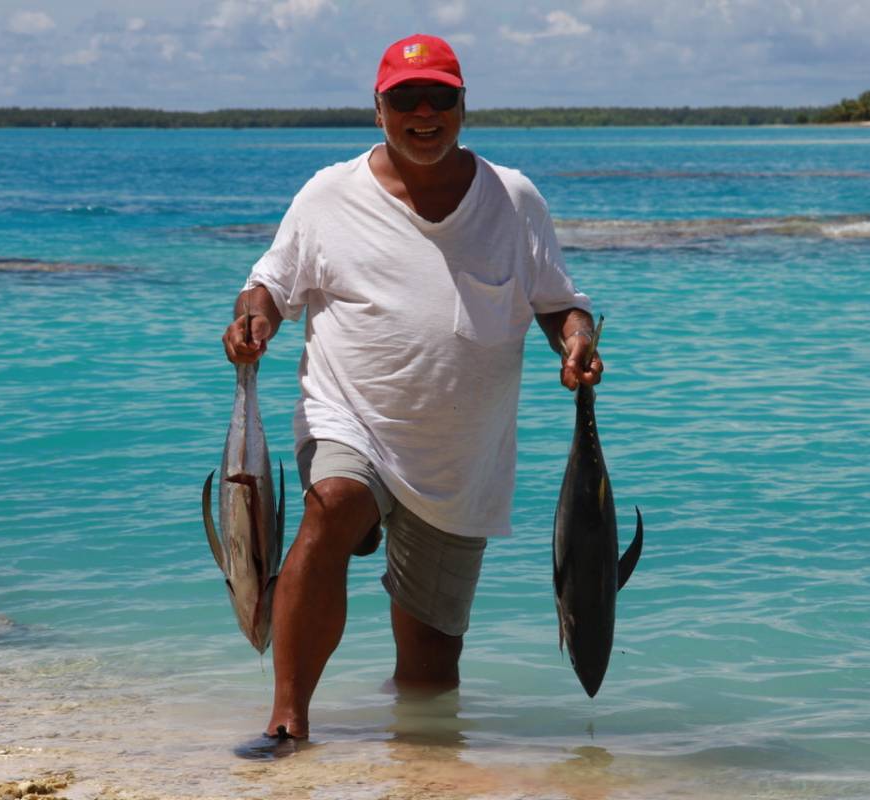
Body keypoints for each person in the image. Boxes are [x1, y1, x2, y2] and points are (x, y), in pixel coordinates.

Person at [222, 33, 603, 746]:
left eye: (440, 98)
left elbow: (558, 302)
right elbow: (271, 285)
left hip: (460, 460)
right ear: (378, 109)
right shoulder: (328, 195)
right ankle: (287, 719)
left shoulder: (513, 199)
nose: (423, 112)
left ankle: (419, 769)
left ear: (464, 107)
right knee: (333, 505)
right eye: (406, 98)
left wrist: (577, 338)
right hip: (351, 418)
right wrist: (253, 319)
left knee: (429, 679)